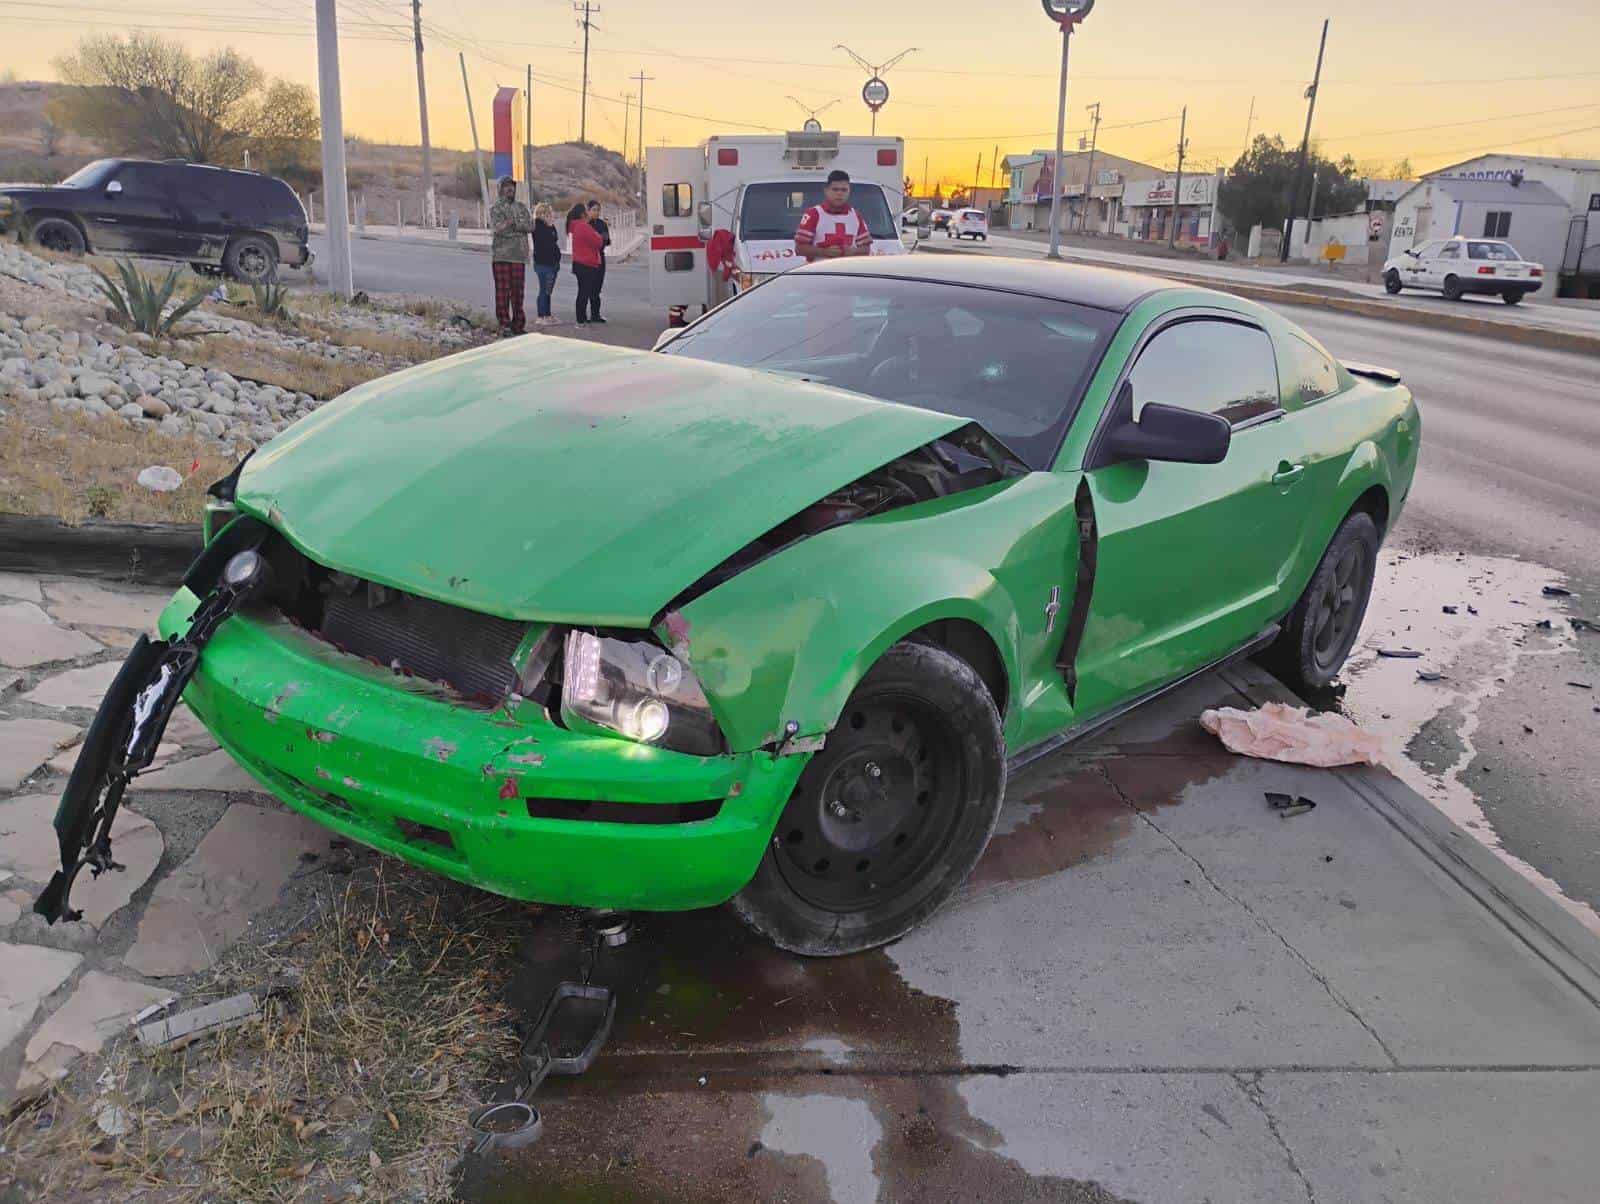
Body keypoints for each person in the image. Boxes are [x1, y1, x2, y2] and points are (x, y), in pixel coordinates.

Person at [795, 170, 874, 263]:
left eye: (844, 190)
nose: (839, 193)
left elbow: (866, 249)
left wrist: (854, 251)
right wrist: (824, 252)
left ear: (849, 191)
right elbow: (799, 249)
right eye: (835, 189)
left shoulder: (855, 216)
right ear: (826, 191)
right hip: (819, 273)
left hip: (848, 273)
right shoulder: (813, 214)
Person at [488, 176, 533, 336]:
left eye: (512, 186)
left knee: (518, 292)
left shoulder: (521, 207)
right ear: (501, 189)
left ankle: (518, 325)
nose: (510, 189)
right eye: (506, 186)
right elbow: (498, 229)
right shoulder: (496, 208)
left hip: (519, 256)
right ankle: (504, 325)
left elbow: (530, 226)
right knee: (502, 291)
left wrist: (513, 224)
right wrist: (513, 227)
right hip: (501, 256)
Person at [567, 202, 605, 325]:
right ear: (583, 214)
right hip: (586, 264)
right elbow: (598, 242)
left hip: (579, 263)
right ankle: (581, 319)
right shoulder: (583, 226)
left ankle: (582, 317)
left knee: (582, 291)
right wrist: (598, 235)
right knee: (584, 292)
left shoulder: (575, 226)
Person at [531, 203, 561, 325]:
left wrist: (551, 225)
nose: (551, 216)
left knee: (547, 291)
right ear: (542, 214)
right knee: (544, 290)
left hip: (551, 263)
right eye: (548, 214)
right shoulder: (538, 226)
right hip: (544, 264)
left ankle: (547, 314)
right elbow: (549, 240)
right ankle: (541, 316)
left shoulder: (547, 226)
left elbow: (555, 238)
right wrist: (550, 226)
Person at [585, 200, 612, 322]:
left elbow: (606, 240)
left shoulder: (602, 224)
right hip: (587, 259)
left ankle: (596, 315)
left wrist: (599, 240)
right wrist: (598, 239)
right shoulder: (585, 224)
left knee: (597, 288)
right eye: (594, 210)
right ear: (588, 210)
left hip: (600, 258)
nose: (596, 212)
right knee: (587, 288)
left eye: (598, 210)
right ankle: (583, 316)